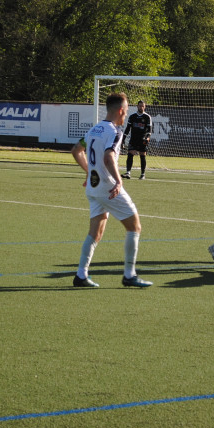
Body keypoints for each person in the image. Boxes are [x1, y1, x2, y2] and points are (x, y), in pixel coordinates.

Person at [71, 92, 152, 288]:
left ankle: (81, 275)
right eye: (126, 111)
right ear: (121, 111)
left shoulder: (94, 130)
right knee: (135, 226)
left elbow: (76, 150)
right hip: (107, 187)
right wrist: (118, 181)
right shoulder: (115, 131)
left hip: (93, 187)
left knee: (95, 232)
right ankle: (129, 275)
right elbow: (108, 157)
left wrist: (90, 173)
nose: (126, 115)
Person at [122, 100, 152, 180]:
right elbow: (127, 129)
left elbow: (149, 130)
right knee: (130, 154)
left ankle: (142, 174)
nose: (141, 107)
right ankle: (128, 172)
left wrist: (147, 137)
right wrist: (123, 139)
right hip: (133, 139)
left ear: (144, 107)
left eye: (143, 106)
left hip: (142, 139)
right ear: (137, 106)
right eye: (140, 106)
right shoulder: (132, 116)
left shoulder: (147, 117)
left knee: (142, 155)